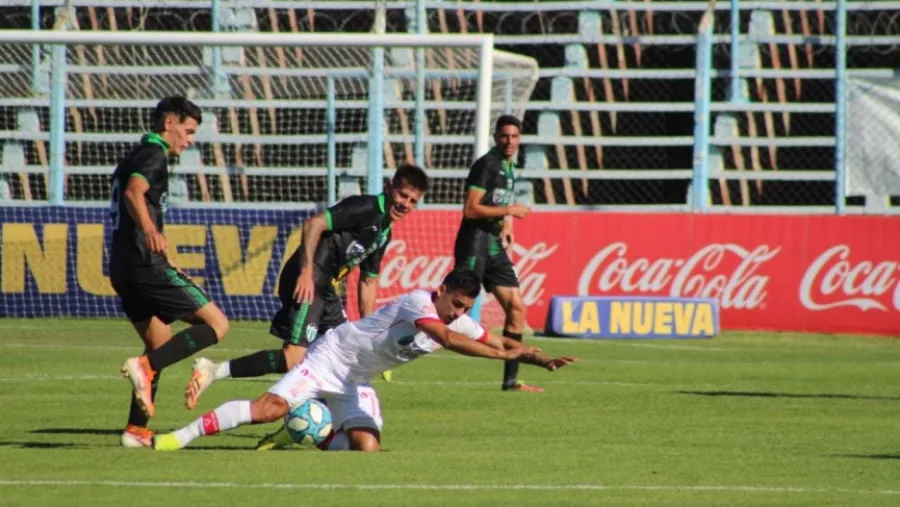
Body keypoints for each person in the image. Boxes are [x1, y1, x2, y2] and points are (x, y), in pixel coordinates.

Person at [153, 268, 577, 452]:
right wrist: (496, 350)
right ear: (442, 289)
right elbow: (445, 338)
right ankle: (180, 437)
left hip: (356, 381)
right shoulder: (418, 302)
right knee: (268, 410)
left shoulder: (458, 319)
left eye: (466, 308)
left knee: (366, 447)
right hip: (329, 359)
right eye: (457, 303)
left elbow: (496, 341)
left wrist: (537, 359)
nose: (459, 313)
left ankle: (306, 436)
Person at [183, 165, 430, 411]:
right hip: (311, 280)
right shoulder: (364, 207)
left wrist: (372, 334)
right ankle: (214, 371)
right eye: (402, 195)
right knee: (295, 357)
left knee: (344, 352)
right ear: (389, 188)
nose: (405, 204)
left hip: (327, 289)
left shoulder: (384, 231)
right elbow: (314, 224)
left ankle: (318, 418)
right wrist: (306, 272)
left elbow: (368, 281)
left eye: (412, 201)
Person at [110, 96, 231, 448]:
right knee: (218, 325)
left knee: (160, 345)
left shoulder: (134, 155)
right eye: (188, 131)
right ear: (169, 124)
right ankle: (144, 368)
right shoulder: (154, 154)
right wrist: (150, 231)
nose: (190, 140)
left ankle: (136, 430)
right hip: (144, 264)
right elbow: (135, 193)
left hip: (123, 266)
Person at [453, 114, 538, 392]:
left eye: (514, 136)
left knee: (517, 309)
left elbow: (502, 199)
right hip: (474, 241)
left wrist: (507, 224)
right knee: (457, 307)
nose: (509, 141)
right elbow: (471, 209)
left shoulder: (508, 165)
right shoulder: (486, 165)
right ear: (496, 137)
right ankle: (412, 337)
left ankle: (511, 381)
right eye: (504, 136)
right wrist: (509, 211)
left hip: (492, 242)